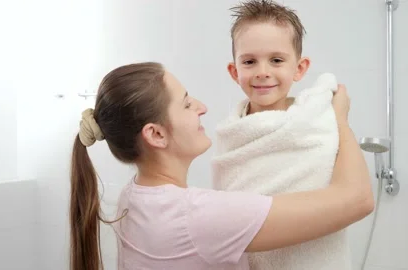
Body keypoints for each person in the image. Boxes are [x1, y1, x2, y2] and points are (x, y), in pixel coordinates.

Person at [69, 62, 373, 270]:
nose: (202, 107)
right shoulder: (199, 216)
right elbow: (358, 200)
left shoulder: (132, 198)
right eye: (187, 104)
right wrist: (340, 119)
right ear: (156, 134)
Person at [212, 1, 356, 269]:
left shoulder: (318, 121)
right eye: (249, 61)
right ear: (234, 71)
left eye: (276, 60)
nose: (262, 71)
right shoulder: (230, 135)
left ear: (299, 68)